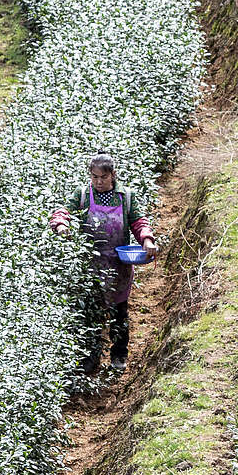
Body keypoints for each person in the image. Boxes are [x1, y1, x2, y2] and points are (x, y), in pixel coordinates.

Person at [50, 155, 157, 376]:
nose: (98, 182)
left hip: (119, 266)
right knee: (91, 314)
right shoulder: (82, 196)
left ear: (113, 175)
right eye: (94, 177)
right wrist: (61, 225)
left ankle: (118, 356)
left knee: (119, 312)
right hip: (91, 266)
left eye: (103, 177)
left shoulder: (125, 198)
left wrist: (146, 239)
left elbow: (138, 222)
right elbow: (63, 213)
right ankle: (90, 358)